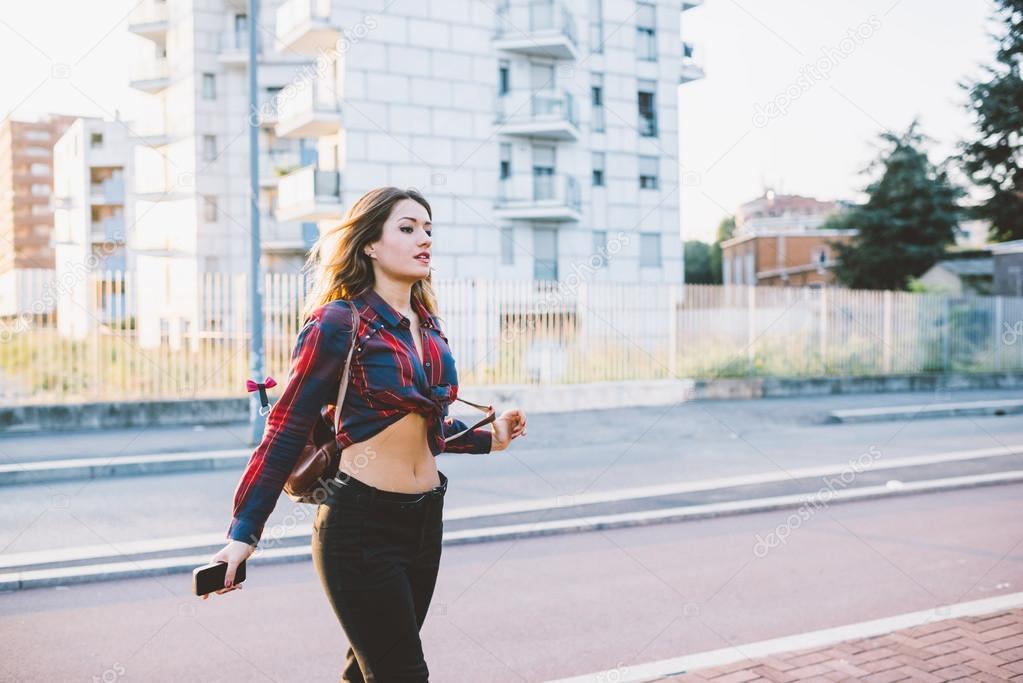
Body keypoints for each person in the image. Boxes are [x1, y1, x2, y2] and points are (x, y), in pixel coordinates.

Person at [206, 187, 527, 681]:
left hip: (424, 523)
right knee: (403, 675)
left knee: (369, 673)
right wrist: (243, 535)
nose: (424, 239)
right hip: (360, 526)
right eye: (407, 228)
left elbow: (427, 423)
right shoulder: (339, 322)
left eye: (428, 229)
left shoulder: (428, 325)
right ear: (370, 245)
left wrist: (492, 436)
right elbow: (286, 427)